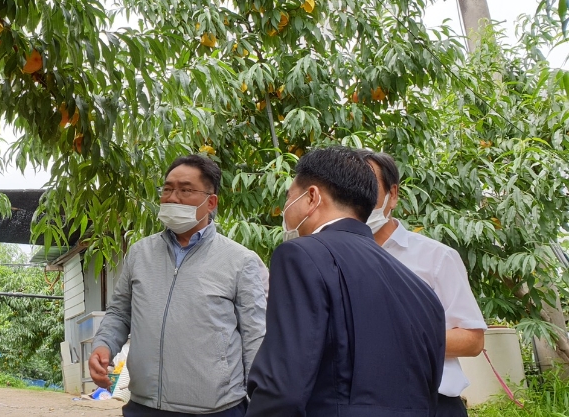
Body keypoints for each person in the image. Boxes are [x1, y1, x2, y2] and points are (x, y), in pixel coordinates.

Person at [245, 146, 446, 417]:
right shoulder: (420, 290)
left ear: (312, 196)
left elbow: (283, 388)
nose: (286, 209)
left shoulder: (302, 255)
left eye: (289, 196)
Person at [88, 154, 268, 417]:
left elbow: (255, 338)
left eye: (185, 190)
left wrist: (261, 404)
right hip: (144, 405)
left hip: (216, 410)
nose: (172, 198)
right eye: (168, 189)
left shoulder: (241, 261)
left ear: (211, 202)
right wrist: (102, 346)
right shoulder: (140, 253)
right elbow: (119, 313)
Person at [363, 151, 487, 417]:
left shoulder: (436, 257)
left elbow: (472, 340)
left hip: (431, 403)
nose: (358, 200)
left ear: (392, 195)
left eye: (368, 188)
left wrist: (392, 339)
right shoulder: (333, 260)